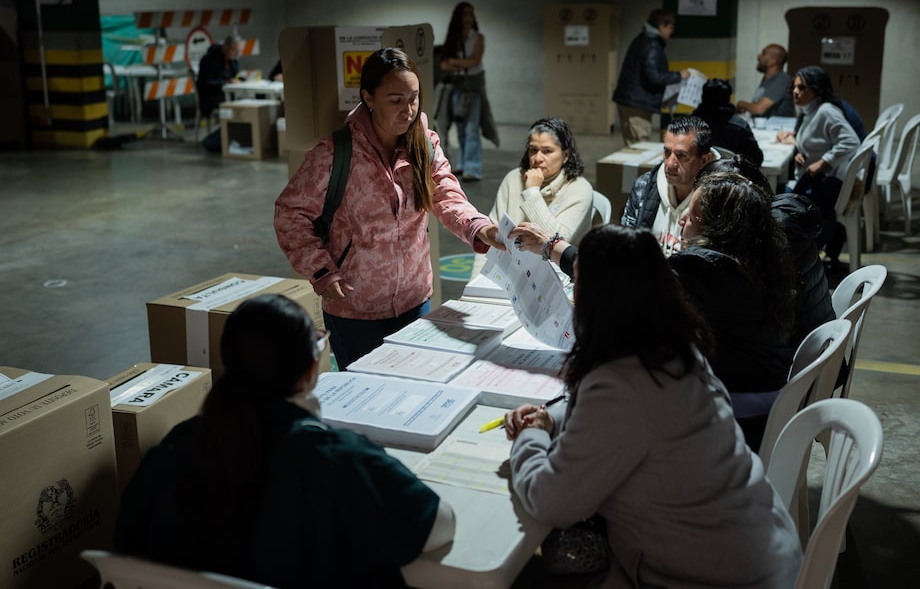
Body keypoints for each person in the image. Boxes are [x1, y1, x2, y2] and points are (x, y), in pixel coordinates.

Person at [504, 224, 802, 588]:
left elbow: (551, 502)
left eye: (577, 283)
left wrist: (530, 437)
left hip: (716, 576)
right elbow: (627, 418)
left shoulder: (619, 384)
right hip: (762, 550)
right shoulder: (675, 349)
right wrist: (553, 417)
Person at [114, 294, 455, 588]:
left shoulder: (179, 445)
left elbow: (125, 541)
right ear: (310, 371)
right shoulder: (340, 459)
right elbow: (438, 525)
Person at [274, 48, 503, 369]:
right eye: (395, 100)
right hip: (355, 308)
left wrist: (480, 227)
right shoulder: (335, 154)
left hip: (414, 299)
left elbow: (447, 196)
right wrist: (322, 270)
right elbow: (290, 214)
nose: (408, 110)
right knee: (365, 398)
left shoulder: (424, 144)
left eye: (414, 98)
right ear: (368, 97)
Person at [675, 170, 798, 451]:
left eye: (693, 218)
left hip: (739, 414)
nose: (682, 221)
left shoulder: (702, 268)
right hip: (769, 398)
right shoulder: (761, 255)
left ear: (717, 227)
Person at [698, 156, 836, 350]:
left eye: (701, 208)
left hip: (796, 364)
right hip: (817, 354)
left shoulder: (769, 241)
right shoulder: (782, 223)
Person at [472, 116, 593, 278]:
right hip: (512, 272)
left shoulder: (579, 189)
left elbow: (553, 244)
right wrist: (474, 283)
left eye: (547, 151)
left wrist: (532, 192)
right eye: (533, 150)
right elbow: (491, 237)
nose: (537, 159)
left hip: (558, 275)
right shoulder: (513, 179)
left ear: (565, 156)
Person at [776, 65, 862, 268]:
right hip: (815, 179)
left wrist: (824, 162)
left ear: (817, 89)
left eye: (802, 88)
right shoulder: (810, 110)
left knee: (779, 197)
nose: (796, 92)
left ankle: (797, 259)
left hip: (828, 183)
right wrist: (800, 152)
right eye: (794, 87)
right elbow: (816, 140)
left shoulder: (826, 111)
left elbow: (851, 141)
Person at [620, 114, 714, 255]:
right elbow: (624, 245)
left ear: (704, 160)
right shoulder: (644, 186)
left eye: (681, 156)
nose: (670, 163)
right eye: (667, 152)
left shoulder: (719, 199)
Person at [439, 2, 499, 181]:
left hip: (472, 87)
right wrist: (458, 63)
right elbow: (443, 64)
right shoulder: (453, 38)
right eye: (464, 15)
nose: (468, 18)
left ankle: (473, 168)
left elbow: (474, 60)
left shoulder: (478, 37)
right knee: (460, 127)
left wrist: (455, 62)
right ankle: (463, 164)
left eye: (470, 15)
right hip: (457, 86)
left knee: (472, 127)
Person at [612, 9, 690, 145]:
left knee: (635, 144)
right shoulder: (652, 46)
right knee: (639, 146)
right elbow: (653, 76)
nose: (672, 31)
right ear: (661, 27)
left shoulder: (644, 39)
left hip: (632, 101)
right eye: (670, 27)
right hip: (636, 105)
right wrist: (679, 76)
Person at [692, 77, 764, 165]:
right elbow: (757, 159)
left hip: (696, 176)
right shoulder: (739, 126)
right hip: (731, 176)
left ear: (703, 97)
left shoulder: (690, 124)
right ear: (728, 99)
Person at [196, 35, 242, 153]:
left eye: (238, 51)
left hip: (225, 95)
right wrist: (225, 83)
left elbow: (235, 73)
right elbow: (207, 83)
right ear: (226, 48)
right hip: (210, 98)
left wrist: (234, 61)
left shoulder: (230, 59)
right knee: (237, 109)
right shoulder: (209, 60)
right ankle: (217, 140)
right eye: (234, 51)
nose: (236, 54)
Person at [736, 43, 796, 119]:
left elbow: (759, 109)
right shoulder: (767, 78)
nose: (759, 56)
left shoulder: (782, 80)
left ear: (773, 62)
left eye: (763, 53)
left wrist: (742, 103)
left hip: (775, 129)